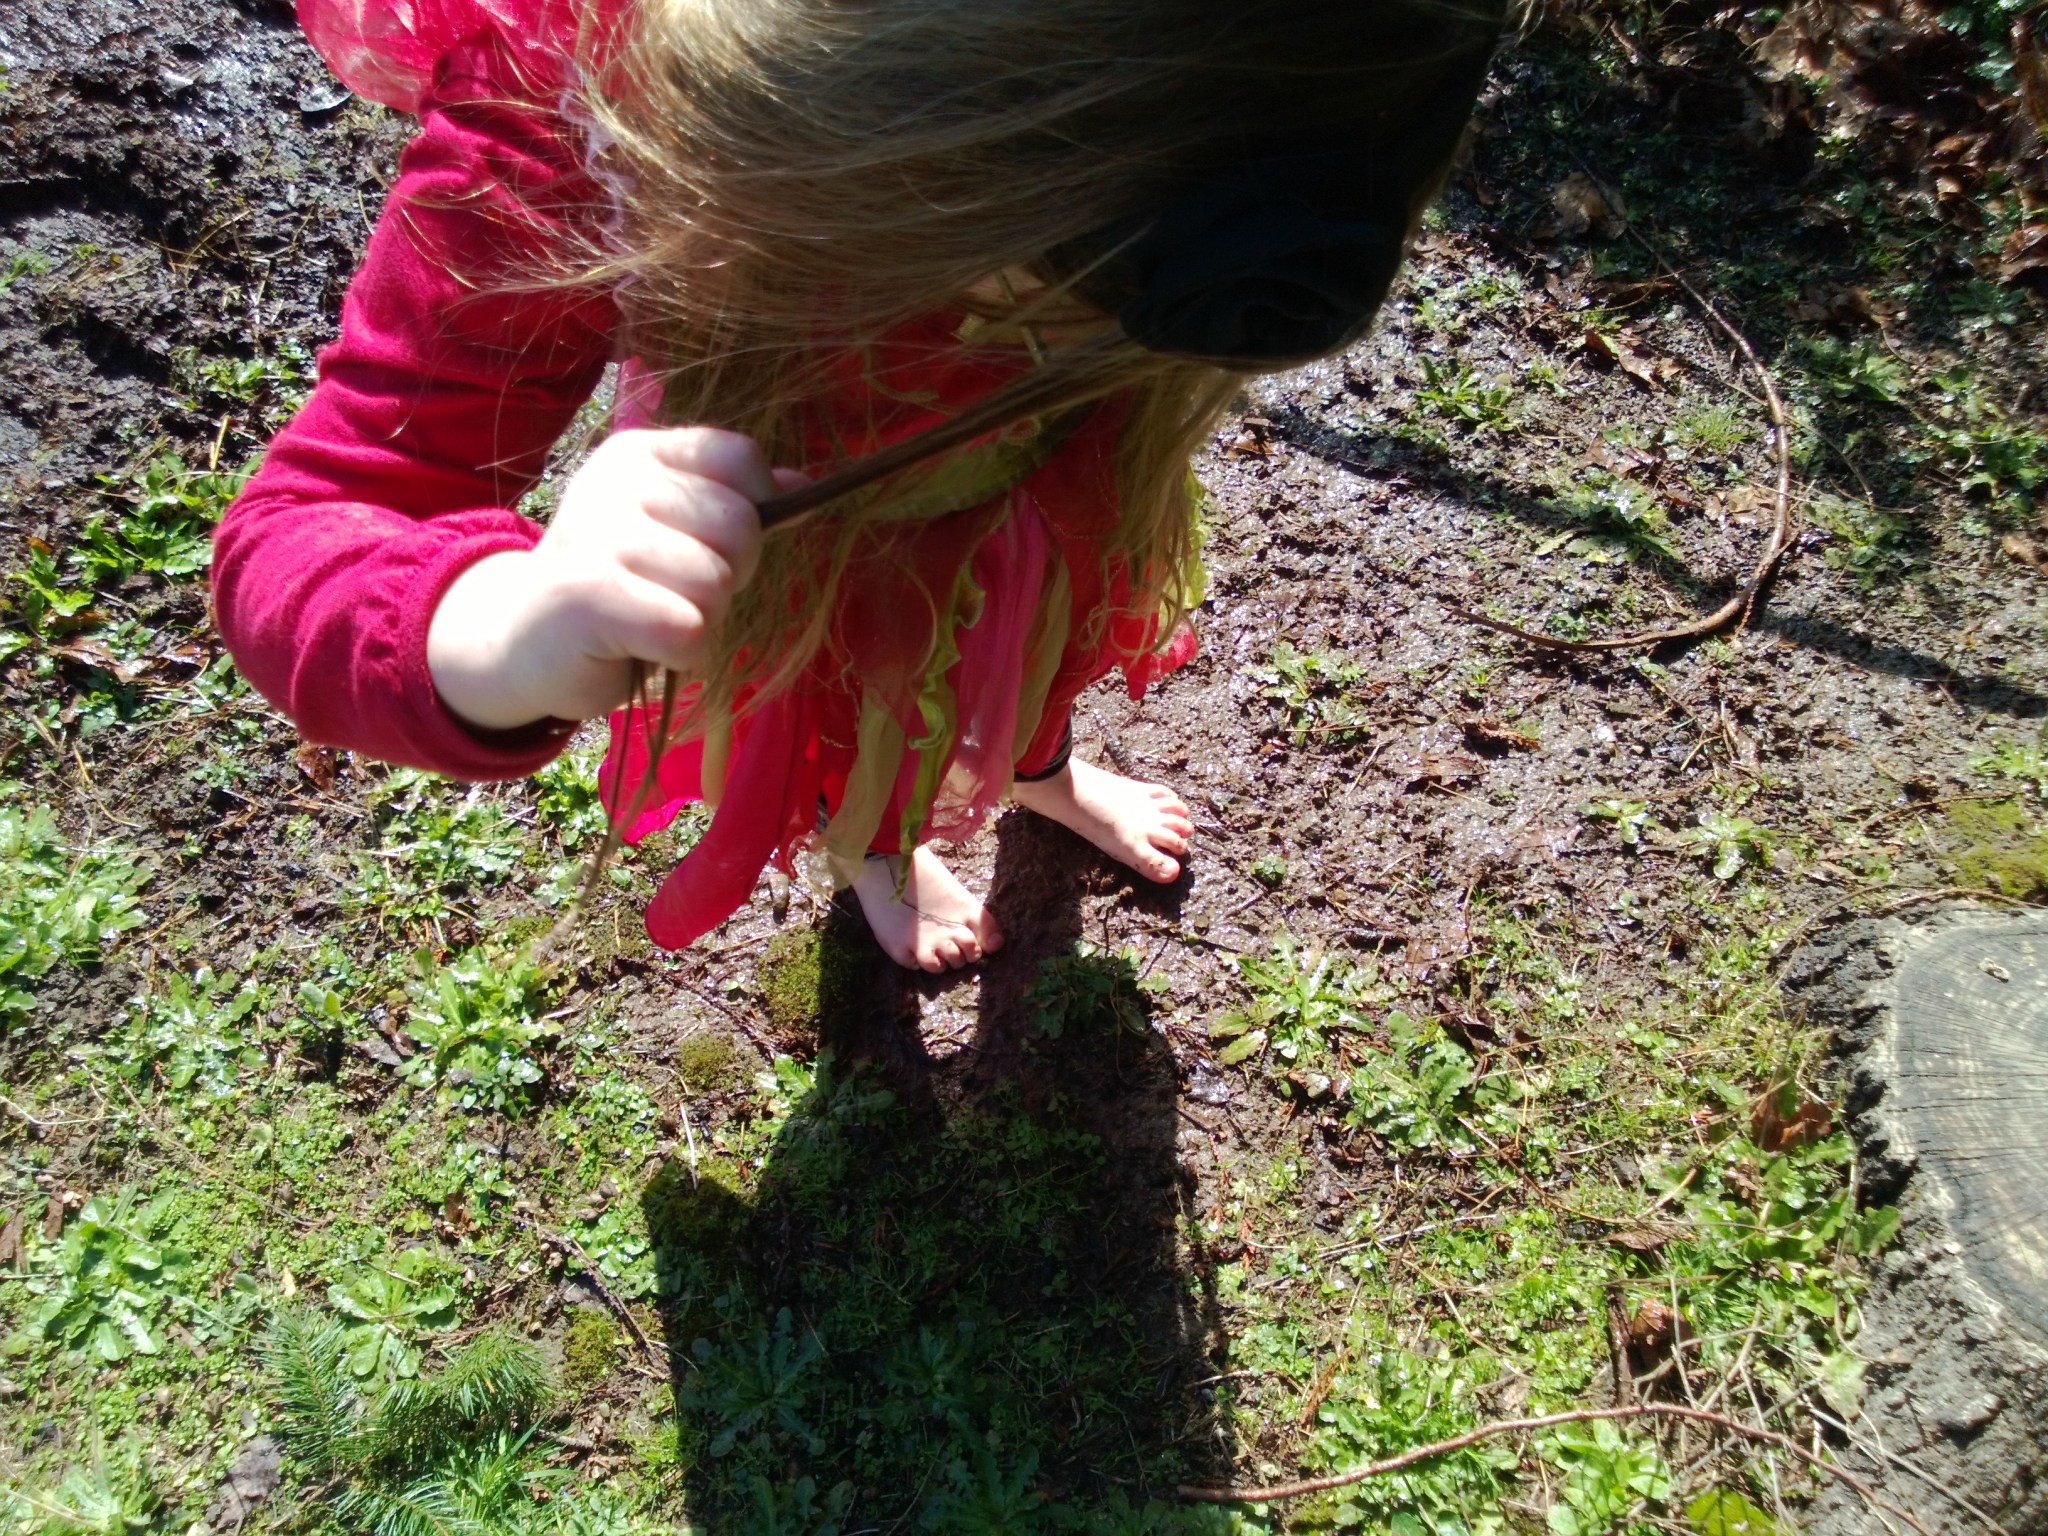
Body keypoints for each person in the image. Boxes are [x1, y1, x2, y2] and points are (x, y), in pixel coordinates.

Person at [213, 0, 1502, 972]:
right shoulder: (587, 89)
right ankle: (879, 849)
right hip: (823, 554)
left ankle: (1039, 772)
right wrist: (488, 628)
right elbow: (310, 517)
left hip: (1045, 501)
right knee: (866, 721)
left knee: (1035, 653)